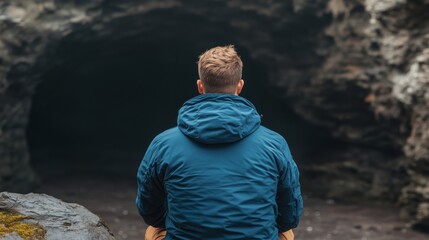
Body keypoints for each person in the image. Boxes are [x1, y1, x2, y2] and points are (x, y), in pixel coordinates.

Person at [136, 45, 303, 240]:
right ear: (240, 86)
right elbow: (290, 214)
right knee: (286, 233)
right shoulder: (274, 143)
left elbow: (148, 209)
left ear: (200, 86)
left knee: (153, 231)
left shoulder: (163, 143)